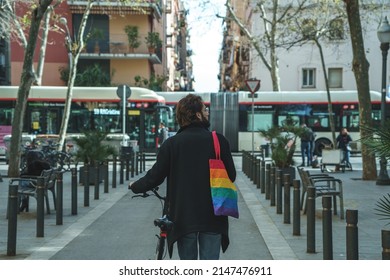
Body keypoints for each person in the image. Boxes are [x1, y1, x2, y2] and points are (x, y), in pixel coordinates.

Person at [129, 94, 236, 260]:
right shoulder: (218, 141)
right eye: (205, 109)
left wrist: (135, 185)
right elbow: (232, 176)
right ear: (198, 114)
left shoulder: (172, 144)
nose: (207, 112)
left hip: (183, 217)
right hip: (213, 216)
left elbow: (155, 177)